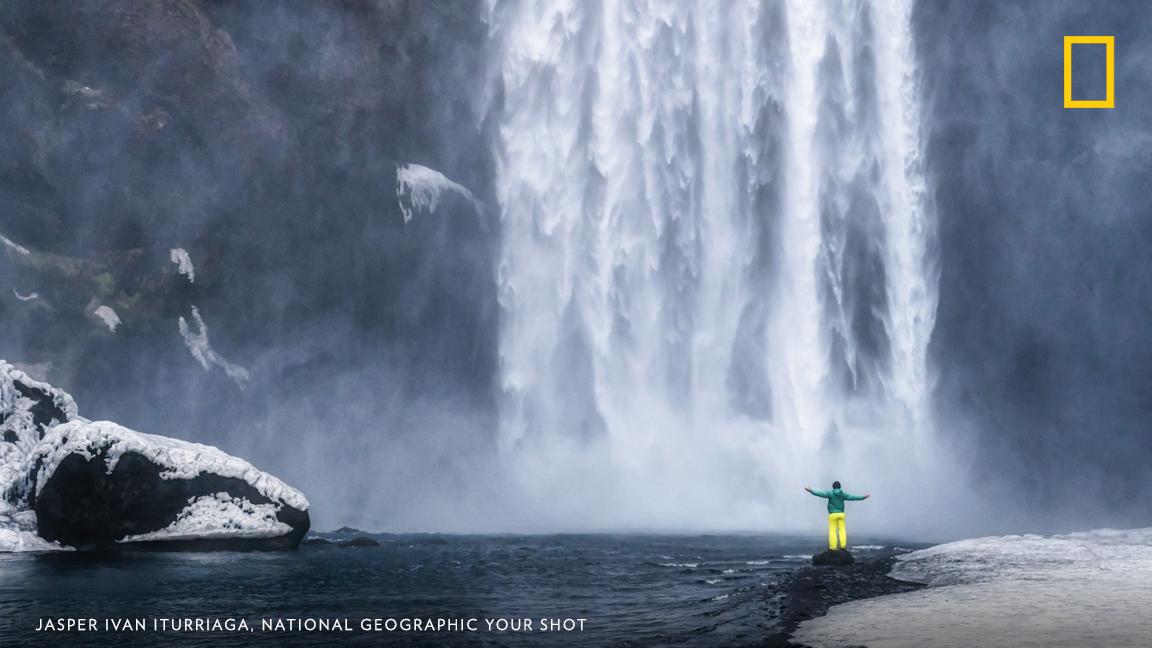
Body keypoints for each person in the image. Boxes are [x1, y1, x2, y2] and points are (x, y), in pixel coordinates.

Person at [804, 481, 870, 551]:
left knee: (832, 531)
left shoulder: (830, 493)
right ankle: (843, 546)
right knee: (842, 531)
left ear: (833, 487)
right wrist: (863, 497)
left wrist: (811, 491)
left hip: (832, 515)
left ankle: (833, 547)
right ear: (840, 487)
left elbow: (820, 494)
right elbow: (853, 497)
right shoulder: (843, 494)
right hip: (841, 514)